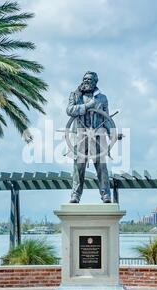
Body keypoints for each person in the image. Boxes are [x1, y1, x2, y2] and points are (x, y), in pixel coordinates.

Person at [66, 71, 112, 204]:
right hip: (80, 136)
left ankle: (106, 194)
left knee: (101, 166)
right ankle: (75, 195)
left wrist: (112, 134)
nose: (86, 81)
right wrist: (86, 106)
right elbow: (69, 110)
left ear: (95, 82)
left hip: (98, 136)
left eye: (89, 79)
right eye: (84, 79)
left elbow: (106, 119)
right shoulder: (75, 95)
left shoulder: (102, 98)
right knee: (78, 167)